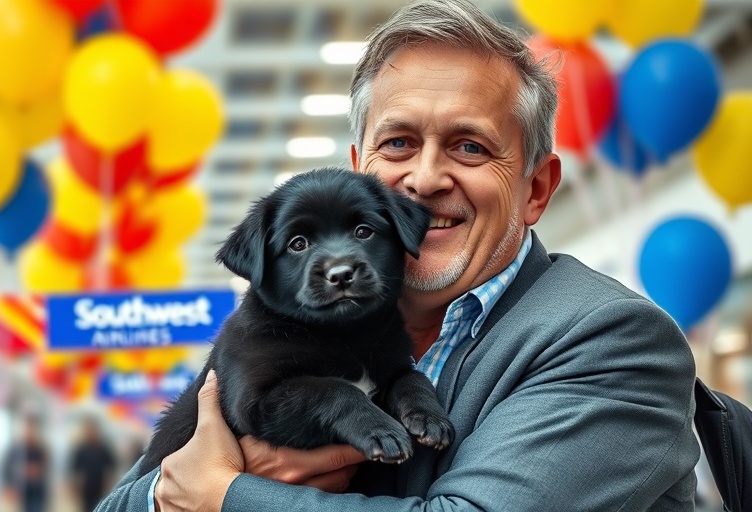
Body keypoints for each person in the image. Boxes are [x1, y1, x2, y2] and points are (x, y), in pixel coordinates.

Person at [96, 0, 700, 510]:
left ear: (536, 188)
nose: (426, 177)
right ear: (361, 172)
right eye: (400, 142)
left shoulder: (614, 340)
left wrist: (226, 494)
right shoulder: (309, 326)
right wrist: (164, 497)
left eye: (470, 146)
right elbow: (130, 497)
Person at [1, 415, 50, 512]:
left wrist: (37, 471)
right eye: (28, 427)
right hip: (20, 491)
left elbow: (47, 468)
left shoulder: (41, 449)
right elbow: (5, 468)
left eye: (32, 428)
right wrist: (8, 485)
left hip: (37, 491)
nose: (30, 431)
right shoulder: (15, 449)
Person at [69, 418, 117, 512]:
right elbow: (75, 469)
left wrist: (109, 482)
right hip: (86, 487)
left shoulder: (103, 449)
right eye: (88, 431)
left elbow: (112, 465)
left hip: (100, 487)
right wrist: (74, 487)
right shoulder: (81, 450)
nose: (91, 433)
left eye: (93, 430)